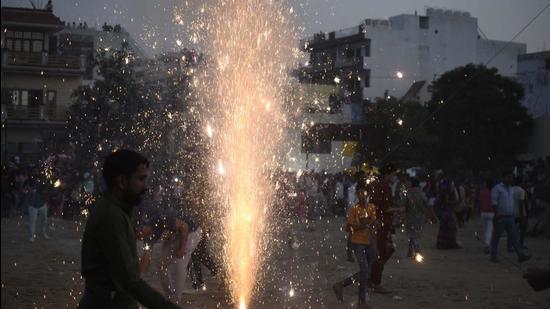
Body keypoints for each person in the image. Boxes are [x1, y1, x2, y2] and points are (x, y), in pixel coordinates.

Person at [78, 149, 178, 309]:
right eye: (141, 179)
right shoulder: (111, 216)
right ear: (122, 181)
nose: (146, 187)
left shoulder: (116, 211)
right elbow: (129, 280)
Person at [136, 207, 202, 303]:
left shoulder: (160, 219)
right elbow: (146, 256)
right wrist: (139, 278)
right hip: (178, 233)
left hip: (192, 231)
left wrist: (182, 247)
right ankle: (169, 295)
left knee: (181, 261)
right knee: (162, 264)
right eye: (139, 237)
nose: (140, 237)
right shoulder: (147, 235)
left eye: (140, 234)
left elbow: (185, 226)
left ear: (143, 227)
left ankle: (176, 299)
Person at [332, 183, 377, 308]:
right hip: (358, 243)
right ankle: (360, 300)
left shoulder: (372, 208)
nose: (362, 196)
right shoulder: (354, 209)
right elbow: (348, 228)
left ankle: (344, 288)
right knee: (365, 272)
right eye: (360, 193)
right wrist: (362, 225)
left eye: (365, 193)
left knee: (366, 273)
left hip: (368, 243)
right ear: (357, 194)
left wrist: (375, 244)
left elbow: (374, 226)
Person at [490, 171, 531, 263]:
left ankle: (520, 255)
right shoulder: (497, 188)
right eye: (508, 177)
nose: (510, 179)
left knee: (514, 236)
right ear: (503, 178)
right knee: (496, 237)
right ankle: (493, 256)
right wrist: (496, 214)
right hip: (500, 216)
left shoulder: (511, 189)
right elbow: (494, 202)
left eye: (511, 177)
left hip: (510, 216)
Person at [369, 164, 398, 294]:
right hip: (382, 224)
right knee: (383, 251)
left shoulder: (376, 185)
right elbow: (386, 208)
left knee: (385, 250)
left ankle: (373, 277)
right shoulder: (384, 187)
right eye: (393, 174)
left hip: (377, 223)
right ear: (387, 174)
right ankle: (376, 282)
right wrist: (400, 209)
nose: (394, 177)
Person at [405, 178, 436, 258]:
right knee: (415, 235)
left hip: (409, 217)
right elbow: (428, 205)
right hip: (419, 218)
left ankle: (411, 251)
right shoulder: (422, 194)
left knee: (412, 234)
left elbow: (405, 207)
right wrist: (432, 215)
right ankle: (416, 250)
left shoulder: (408, 194)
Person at [435, 179, 462, 250]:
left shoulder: (442, 192)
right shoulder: (445, 193)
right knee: (449, 228)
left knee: (446, 228)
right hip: (446, 213)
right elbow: (447, 203)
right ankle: (448, 244)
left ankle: (445, 243)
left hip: (444, 212)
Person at [509, 177, 528, 251]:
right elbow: (521, 203)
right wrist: (523, 215)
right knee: (522, 230)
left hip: (511, 212)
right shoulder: (521, 191)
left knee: (512, 230)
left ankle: (510, 246)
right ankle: (520, 244)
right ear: (521, 183)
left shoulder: (510, 189)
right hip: (520, 213)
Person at [479, 179, 494, 254]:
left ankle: (486, 243)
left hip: (483, 212)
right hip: (491, 212)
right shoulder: (493, 192)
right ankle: (487, 245)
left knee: (485, 229)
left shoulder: (482, 192)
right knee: (490, 229)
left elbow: (480, 202)